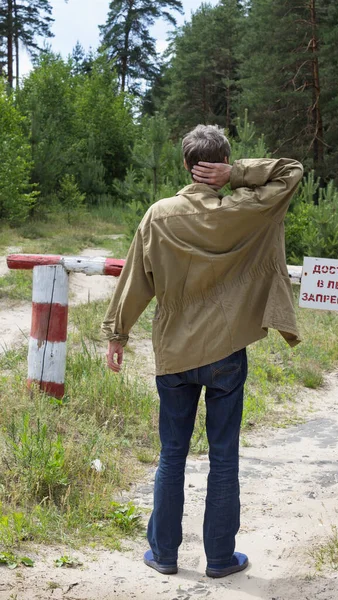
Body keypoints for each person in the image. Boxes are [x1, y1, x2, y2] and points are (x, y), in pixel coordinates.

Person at [102, 124, 303, 579]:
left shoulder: (159, 214)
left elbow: (137, 278)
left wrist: (117, 334)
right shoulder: (249, 209)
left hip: (174, 353)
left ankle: (165, 555)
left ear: (186, 165)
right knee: (223, 455)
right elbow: (291, 171)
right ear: (220, 163)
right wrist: (237, 175)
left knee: (172, 454)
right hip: (227, 353)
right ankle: (218, 558)